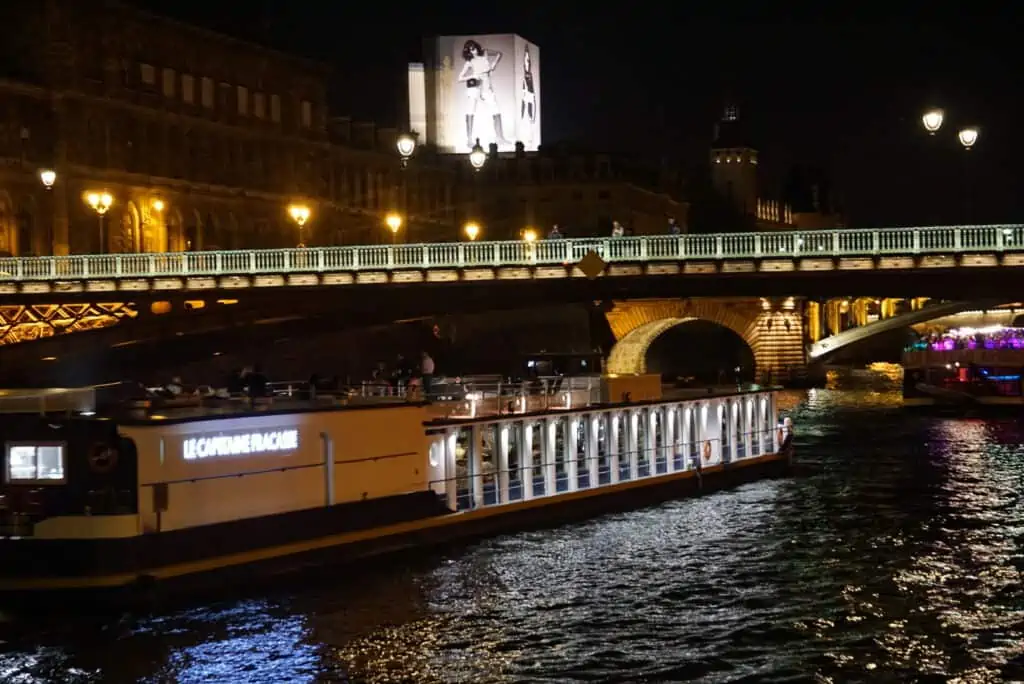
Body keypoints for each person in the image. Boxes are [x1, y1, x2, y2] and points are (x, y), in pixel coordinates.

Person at [458, 39, 509, 149]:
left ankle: (500, 138)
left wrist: (494, 64)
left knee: (496, 111)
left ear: (476, 47)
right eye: (470, 50)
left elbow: (499, 53)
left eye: (474, 48)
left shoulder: (485, 53)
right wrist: (472, 76)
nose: (473, 51)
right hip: (475, 87)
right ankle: (469, 140)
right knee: (470, 111)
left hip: (486, 86)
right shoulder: (469, 62)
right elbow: (460, 78)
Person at [520, 46, 537, 145]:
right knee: (526, 120)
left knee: (530, 120)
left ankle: (530, 140)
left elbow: (527, 66)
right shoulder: (526, 77)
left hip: (529, 96)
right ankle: (527, 140)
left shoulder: (528, 76)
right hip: (526, 97)